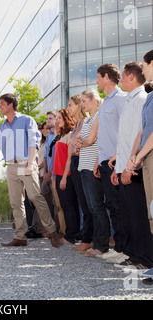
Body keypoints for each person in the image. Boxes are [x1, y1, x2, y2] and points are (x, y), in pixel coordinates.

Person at [0, 93, 61, 248]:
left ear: (11, 105)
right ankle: (20, 236)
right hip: (11, 167)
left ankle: (52, 231)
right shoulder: (2, 128)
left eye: (2, 103)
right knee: (16, 203)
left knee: (36, 197)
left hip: (26, 164)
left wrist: (31, 164)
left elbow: (34, 142)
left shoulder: (26, 120)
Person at [108, 62, 153, 271]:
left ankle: (144, 258)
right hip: (127, 163)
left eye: (123, 77)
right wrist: (119, 162)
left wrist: (130, 165)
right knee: (129, 214)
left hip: (135, 165)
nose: (121, 81)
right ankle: (135, 255)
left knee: (139, 215)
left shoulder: (142, 98)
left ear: (131, 77)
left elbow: (141, 134)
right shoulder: (130, 100)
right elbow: (127, 136)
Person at [93, 63, 127, 260]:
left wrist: (116, 156)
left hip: (117, 162)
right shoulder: (105, 102)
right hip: (105, 161)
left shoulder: (121, 99)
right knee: (112, 206)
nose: (96, 81)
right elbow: (104, 136)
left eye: (98, 77)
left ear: (106, 77)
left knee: (120, 207)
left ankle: (125, 249)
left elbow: (126, 131)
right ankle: (120, 248)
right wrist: (99, 160)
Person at [74, 88, 110, 258]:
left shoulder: (99, 116)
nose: (82, 104)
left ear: (94, 100)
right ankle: (96, 243)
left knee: (97, 207)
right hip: (83, 166)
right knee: (91, 207)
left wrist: (79, 144)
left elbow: (89, 140)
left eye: (84, 101)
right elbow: (78, 140)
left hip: (91, 166)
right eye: (81, 101)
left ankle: (102, 245)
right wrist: (79, 143)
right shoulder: (87, 120)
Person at [128, 50, 153, 235]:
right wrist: (134, 155)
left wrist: (138, 156)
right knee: (151, 210)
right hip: (146, 157)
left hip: (149, 155)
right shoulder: (150, 96)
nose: (143, 72)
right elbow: (143, 130)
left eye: (144, 66)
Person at [66, 95, 93, 252]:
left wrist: (75, 146)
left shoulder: (86, 122)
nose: (68, 108)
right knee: (83, 203)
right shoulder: (76, 125)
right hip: (75, 163)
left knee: (88, 203)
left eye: (71, 105)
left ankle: (89, 238)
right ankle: (88, 237)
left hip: (84, 161)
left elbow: (79, 146)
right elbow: (72, 148)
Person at [53, 109, 80, 245]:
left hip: (66, 175)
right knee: (64, 206)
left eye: (60, 118)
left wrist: (64, 178)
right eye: (57, 118)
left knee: (69, 206)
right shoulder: (60, 136)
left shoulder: (70, 135)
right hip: (58, 175)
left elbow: (69, 158)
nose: (57, 120)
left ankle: (71, 236)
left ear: (67, 119)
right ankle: (70, 233)